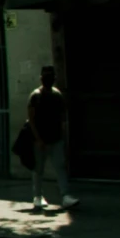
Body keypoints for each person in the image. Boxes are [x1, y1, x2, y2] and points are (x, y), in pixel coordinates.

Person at [26, 65, 72, 211]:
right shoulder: (35, 96)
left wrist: (63, 138)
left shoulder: (57, 95)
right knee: (39, 169)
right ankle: (38, 196)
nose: (48, 79)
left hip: (56, 139)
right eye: (46, 76)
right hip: (40, 140)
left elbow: (62, 118)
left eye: (50, 76)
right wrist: (38, 139)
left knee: (60, 167)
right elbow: (31, 119)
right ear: (41, 78)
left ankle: (65, 196)